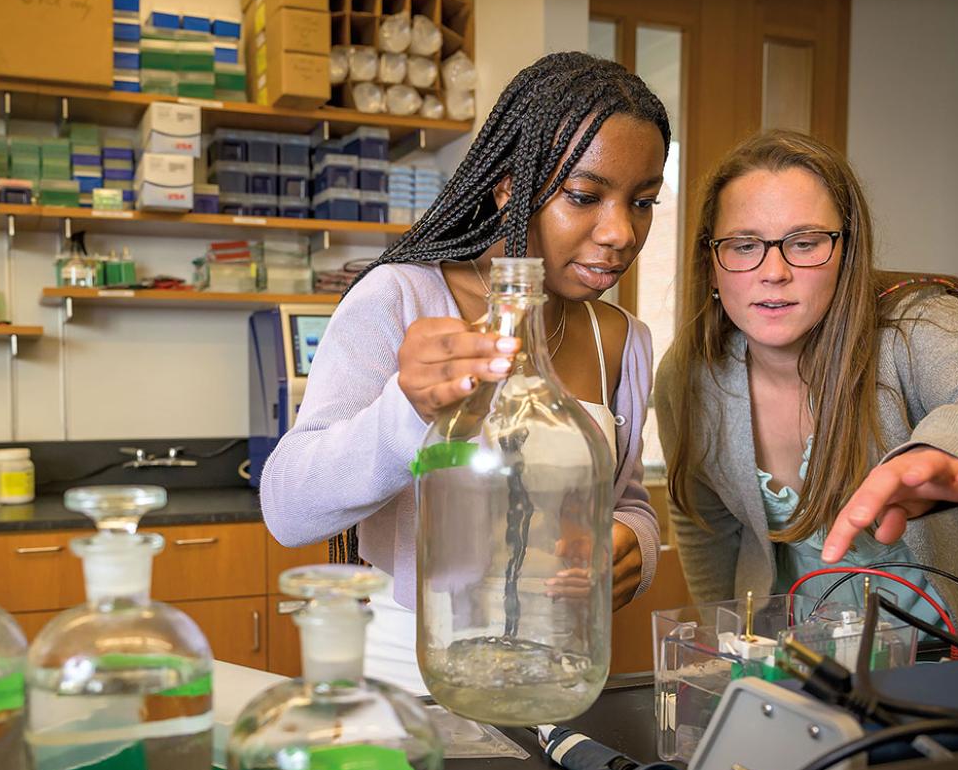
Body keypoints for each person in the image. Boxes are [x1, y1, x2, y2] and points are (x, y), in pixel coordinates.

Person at [260, 52, 671, 691]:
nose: (620, 232)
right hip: (413, 673)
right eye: (585, 196)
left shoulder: (620, 338)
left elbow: (627, 502)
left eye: (642, 202)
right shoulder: (398, 299)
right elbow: (288, 507)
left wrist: (633, 546)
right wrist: (407, 410)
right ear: (510, 186)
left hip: (562, 668)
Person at [657, 128, 958, 634]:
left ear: (847, 252)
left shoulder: (919, 327)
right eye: (743, 246)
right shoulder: (689, 375)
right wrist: (734, 645)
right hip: (806, 664)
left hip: (956, 660)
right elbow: (703, 525)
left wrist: (954, 448)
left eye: (804, 243)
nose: (773, 271)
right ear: (712, 264)